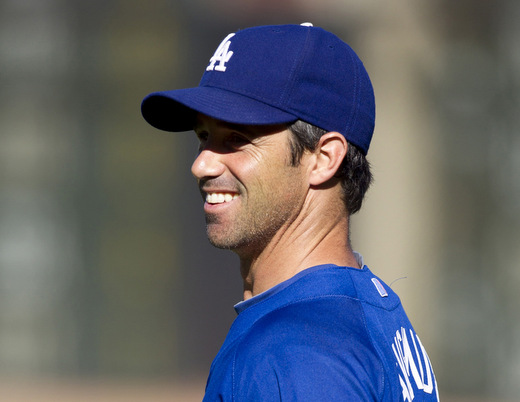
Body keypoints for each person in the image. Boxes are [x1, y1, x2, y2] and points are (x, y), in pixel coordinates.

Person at [141, 23, 439, 401]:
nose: (202, 165)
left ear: (324, 158)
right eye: (204, 136)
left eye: (237, 139)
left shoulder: (296, 353)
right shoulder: (363, 306)